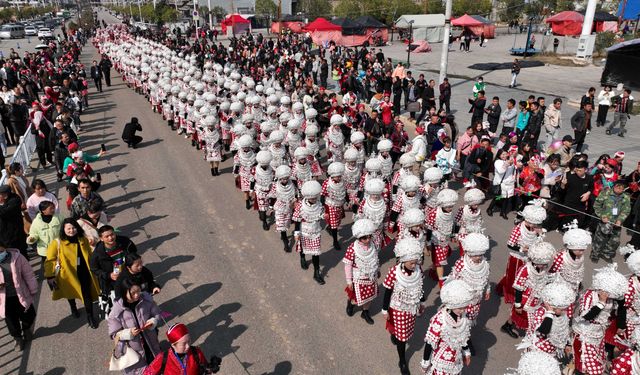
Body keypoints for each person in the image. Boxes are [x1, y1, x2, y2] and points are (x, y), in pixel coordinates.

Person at [44, 218, 100, 328]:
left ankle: (90, 316)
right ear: (63, 229)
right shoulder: (57, 243)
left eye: (74, 227)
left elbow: (90, 253)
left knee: (86, 294)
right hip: (68, 274)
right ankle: (73, 307)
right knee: (71, 293)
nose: (71, 230)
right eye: (68, 228)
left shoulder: (82, 238)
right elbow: (49, 260)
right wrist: (50, 276)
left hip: (84, 271)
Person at [572, 265, 627, 375]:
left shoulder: (611, 299)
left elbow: (622, 308)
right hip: (585, 335)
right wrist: (601, 303)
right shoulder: (590, 295)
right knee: (588, 368)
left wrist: (621, 325)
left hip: (599, 335)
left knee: (598, 365)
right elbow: (586, 316)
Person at [382, 237, 425, 375]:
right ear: (403, 260)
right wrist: (384, 309)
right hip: (398, 308)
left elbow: (420, 287)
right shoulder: (394, 272)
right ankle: (402, 360)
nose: (414, 265)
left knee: (406, 330)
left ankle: (396, 334)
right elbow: (388, 291)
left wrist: (422, 303)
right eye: (412, 263)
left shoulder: (419, 270)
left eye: (416, 262)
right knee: (402, 338)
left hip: (412, 307)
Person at [500, 241, 556, 338]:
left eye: (545, 264)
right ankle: (531, 337)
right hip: (525, 300)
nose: (544, 266)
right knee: (526, 317)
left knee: (526, 316)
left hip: (537, 297)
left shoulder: (542, 267)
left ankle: (507, 326)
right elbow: (518, 288)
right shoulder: (525, 269)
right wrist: (517, 305)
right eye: (542, 264)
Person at [497, 202, 547, 310]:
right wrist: (521, 249)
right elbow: (510, 244)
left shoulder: (536, 228)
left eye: (536, 224)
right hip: (517, 258)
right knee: (514, 277)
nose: (534, 226)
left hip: (530, 258)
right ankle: (512, 295)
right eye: (532, 223)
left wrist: (540, 234)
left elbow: (539, 242)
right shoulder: (518, 229)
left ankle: (523, 296)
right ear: (527, 220)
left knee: (527, 279)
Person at [420, 279, 475, 374]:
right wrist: (425, 362)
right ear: (451, 304)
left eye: (464, 307)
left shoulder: (463, 317)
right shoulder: (440, 320)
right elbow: (430, 343)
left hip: (456, 358)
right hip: (441, 361)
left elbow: (464, 336)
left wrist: (466, 351)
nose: (462, 311)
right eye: (460, 308)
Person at [107, 279, 161, 373]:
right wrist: (128, 333)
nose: (137, 295)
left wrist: (153, 321)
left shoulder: (146, 300)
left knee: (155, 362)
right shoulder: (116, 311)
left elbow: (156, 313)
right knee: (140, 369)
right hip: (133, 349)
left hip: (150, 340)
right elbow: (114, 334)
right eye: (133, 293)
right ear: (124, 293)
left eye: (138, 291)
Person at [0, 239, 38, 351]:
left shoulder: (17, 257)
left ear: (4, 247)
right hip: (4, 298)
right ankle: (17, 339)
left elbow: (28, 274)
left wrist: (33, 289)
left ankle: (27, 329)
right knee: (11, 320)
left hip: (21, 293)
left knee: (29, 314)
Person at [448, 233, 491, 329]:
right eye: (475, 255)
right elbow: (453, 279)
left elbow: (486, 277)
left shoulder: (485, 263)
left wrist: (488, 289)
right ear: (468, 252)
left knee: (472, 317)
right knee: (461, 319)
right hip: (463, 299)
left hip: (477, 298)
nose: (478, 257)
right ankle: (459, 334)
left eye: (480, 254)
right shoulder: (461, 264)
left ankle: (466, 335)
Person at [343, 218, 379, 325]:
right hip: (358, 277)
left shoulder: (374, 245)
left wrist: (378, 269)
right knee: (355, 297)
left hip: (371, 275)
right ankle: (350, 304)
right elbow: (347, 265)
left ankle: (365, 311)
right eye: (364, 238)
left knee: (369, 296)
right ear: (359, 237)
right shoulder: (352, 248)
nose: (368, 240)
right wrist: (349, 281)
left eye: (369, 236)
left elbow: (376, 259)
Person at [143, 323, 215, 375]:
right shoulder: (163, 358)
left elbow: (205, 367)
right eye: (183, 344)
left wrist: (209, 369)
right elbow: (148, 373)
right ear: (173, 345)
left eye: (189, 341)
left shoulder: (196, 352)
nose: (188, 346)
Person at [90, 225, 139, 296]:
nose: (110, 238)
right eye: (106, 236)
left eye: (112, 234)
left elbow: (134, 253)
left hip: (129, 277)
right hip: (111, 283)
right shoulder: (97, 254)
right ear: (101, 238)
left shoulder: (125, 242)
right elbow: (94, 269)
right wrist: (109, 275)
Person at [292, 180, 325, 285]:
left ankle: (316, 272)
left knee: (316, 253)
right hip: (304, 230)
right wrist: (296, 233)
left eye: (315, 197)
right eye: (312, 198)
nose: (314, 200)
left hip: (315, 230)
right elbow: (297, 220)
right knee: (302, 246)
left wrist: (323, 216)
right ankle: (302, 258)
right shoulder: (300, 206)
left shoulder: (319, 204)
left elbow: (320, 215)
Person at [592, 179, 631, 263]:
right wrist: (602, 215)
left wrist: (620, 220)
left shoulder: (626, 197)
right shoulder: (605, 193)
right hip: (605, 221)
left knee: (615, 241)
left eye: (622, 188)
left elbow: (626, 210)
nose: (619, 189)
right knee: (599, 239)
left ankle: (606, 253)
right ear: (614, 186)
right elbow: (597, 205)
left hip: (617, 223)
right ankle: (595, 254)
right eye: (618, 187)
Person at [426, 189, 458, 288]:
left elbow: (453, 224)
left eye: (451, 206)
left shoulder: (451, 213)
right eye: (448, 206)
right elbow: (429, 229)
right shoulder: (434, 213)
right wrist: (427, 243)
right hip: (436, 240)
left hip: (446, 239)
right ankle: (441, 281)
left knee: (441, 257)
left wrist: (453, 235)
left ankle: (433, 267)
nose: (450, 208)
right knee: (440, 261)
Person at [322, 162, 347, 250]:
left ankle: (329, 227)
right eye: (337, 176)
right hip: (330, 204)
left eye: (340, 176)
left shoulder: (343, 182)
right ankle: (335, 241)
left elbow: (345, 191)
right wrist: (322, 207)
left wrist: (347, 201)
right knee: (334, 224)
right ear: (332, 176)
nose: (339, 178)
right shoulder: (327, 183)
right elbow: (322, 194)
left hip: (339, 204)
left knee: (337, 221)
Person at [0, 185, 28, 257]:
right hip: (3, 236)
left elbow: (5, 212)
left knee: (21, 254)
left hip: (16, 234)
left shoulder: (15, 199)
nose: (1, 196)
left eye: (3, 194)